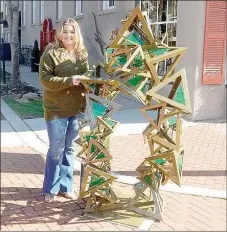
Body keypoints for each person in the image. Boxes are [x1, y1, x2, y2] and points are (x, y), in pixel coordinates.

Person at [39, 17, 89, 202]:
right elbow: (45, 79)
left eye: (72, 31)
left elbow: (86, 77)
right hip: (56, 110)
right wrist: (70, 80)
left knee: (69, 149)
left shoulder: (82, 53)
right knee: (55, 150)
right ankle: (49, 189)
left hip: (76, 109)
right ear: (59, 34)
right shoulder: (51, 53)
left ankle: (66, 187)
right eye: (65, 31)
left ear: (77, 34)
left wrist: (90, 83)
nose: (69, 35)